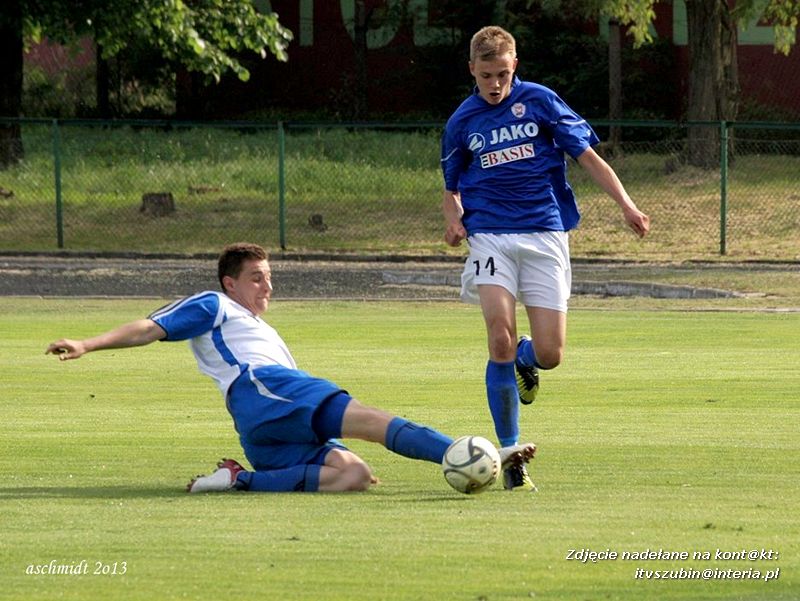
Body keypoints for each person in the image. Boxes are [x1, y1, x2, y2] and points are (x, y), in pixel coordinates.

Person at [46, 242, 535, 493]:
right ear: (230, 283)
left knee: (353, 476)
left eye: (269, 278)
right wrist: (87, 344)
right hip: (264, 390)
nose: (267, 287)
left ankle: (238, 480)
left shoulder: (261, 328)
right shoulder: (215, 304)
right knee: (370, 420)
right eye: (256, 278)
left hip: (262, 427)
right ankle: (465, 453)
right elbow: (150, 327)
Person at [440, 26, 650, 492]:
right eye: (486, 75)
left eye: (503, 74)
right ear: (472, 70)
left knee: (551, 354)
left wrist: (626, 204)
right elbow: (450, 189)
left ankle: (527, 357)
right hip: (490, 236)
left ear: (514, 66)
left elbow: (588, 157)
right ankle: (511, 454)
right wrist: (454, 221)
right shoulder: (461, 122)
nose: (495, 84)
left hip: (544, 233)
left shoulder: (540, 101)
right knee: (498, 338)